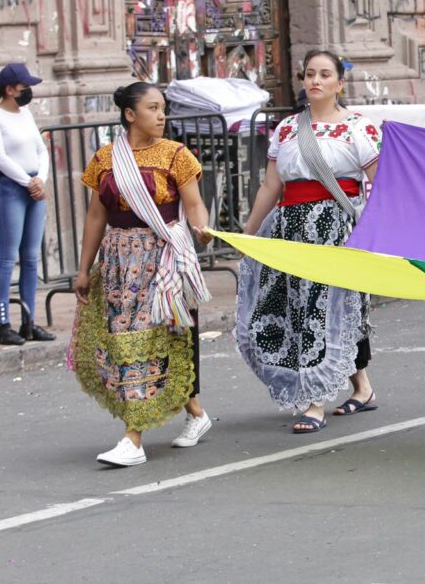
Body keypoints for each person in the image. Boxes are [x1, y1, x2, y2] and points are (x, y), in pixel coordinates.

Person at [70, 82, 214, 466]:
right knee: (129, 339)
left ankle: (133, 439)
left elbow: (195, 204)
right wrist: (84, 269)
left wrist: (201, 229)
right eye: (153, 108)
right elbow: (95, 217)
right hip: (118, 261)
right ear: (130, 115)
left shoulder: (176, 156)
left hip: (163, 257)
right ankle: (196, 414)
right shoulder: (104, 159)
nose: (162, 115)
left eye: (163, 108)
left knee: (155, 338)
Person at [238, 50, 380, 433]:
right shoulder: (286, 129)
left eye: (324, 74)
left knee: (324, 309)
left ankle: (315, 401)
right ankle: (362, 387)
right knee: (300, 308)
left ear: (339, 83)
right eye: (309, 74)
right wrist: (248, 234)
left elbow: (379, 184)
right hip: (289, 228)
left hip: (335, 229)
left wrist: (373, 233)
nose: (315, 81)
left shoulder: (358, 127)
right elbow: (271, 186)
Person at [0, 64, 56, 346]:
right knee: (7, 257)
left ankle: (29, 321)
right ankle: (4, 324)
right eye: (24, 87)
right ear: (10, 89)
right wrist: (29, 182)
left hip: (33, 187)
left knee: (30, 257)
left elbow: (41, 149)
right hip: (11, 189)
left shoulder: (25, 113)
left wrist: (40, 178)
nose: (28, 92)